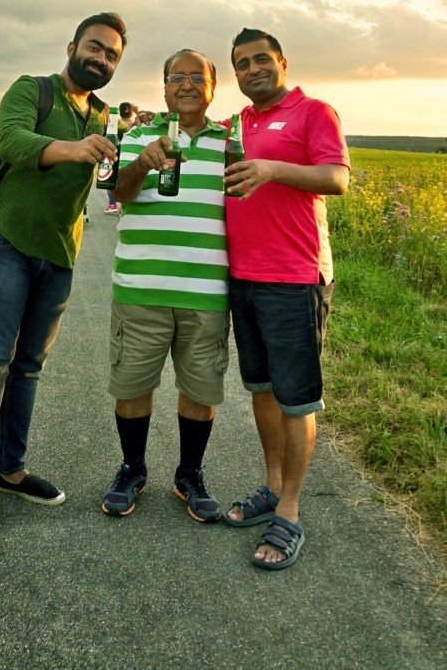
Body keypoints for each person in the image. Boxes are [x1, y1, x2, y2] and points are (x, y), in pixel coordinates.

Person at [0, 12, 128, 535]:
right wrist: (72, 150)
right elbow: (11, 142)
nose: (100, 59)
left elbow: (112, 181)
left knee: (29, 367)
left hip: (59, 254)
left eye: (111, 56)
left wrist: (135, 140)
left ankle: (10, 469)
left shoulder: (105, 116)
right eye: (95, 47)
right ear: (73, 45)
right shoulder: (32, 90)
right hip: (3, 239)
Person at [222, 28, 350, 569]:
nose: (253, 69)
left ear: (282, 62)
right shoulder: (236, 124)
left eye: (261, 60)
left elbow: (336, 178)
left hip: (294, 277)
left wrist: (274, 170)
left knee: (297, 399)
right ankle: (272, 486)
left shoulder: (314, 112)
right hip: (243, 277)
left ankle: (291, 512)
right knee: (263, 389)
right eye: (242, 64)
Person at [101, 49, 229, 522]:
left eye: (198, 77)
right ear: (164, 87)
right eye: (178, 77)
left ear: (213, 87)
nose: (188, 84)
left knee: (200, 390)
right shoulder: (136, 136)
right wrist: (142, 165)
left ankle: (189, 474)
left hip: (206, 294)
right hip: (140, 291)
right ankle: (132, 469)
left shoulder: (230, 143)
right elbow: (118, 194)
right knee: (132, 385)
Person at [104, 101, 137, 214]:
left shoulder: (115, 124)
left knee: (111, 179)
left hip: (116, 155)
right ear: (131, 112)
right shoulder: (136, 125)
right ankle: (122, 205)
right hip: (129, 157)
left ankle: (112, 204)